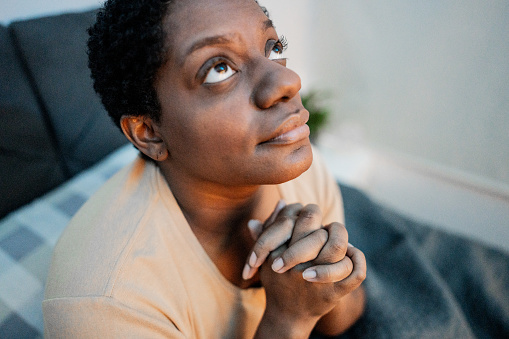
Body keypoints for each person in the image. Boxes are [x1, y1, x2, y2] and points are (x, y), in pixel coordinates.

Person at [43, 0, 367, 337]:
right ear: (149, 133)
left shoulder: (296, 164)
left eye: (273, 48)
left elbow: (342, 318)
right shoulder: (106, 304)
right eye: (219, 69)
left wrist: (325, 278)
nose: (287, 81)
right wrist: (288, 319)